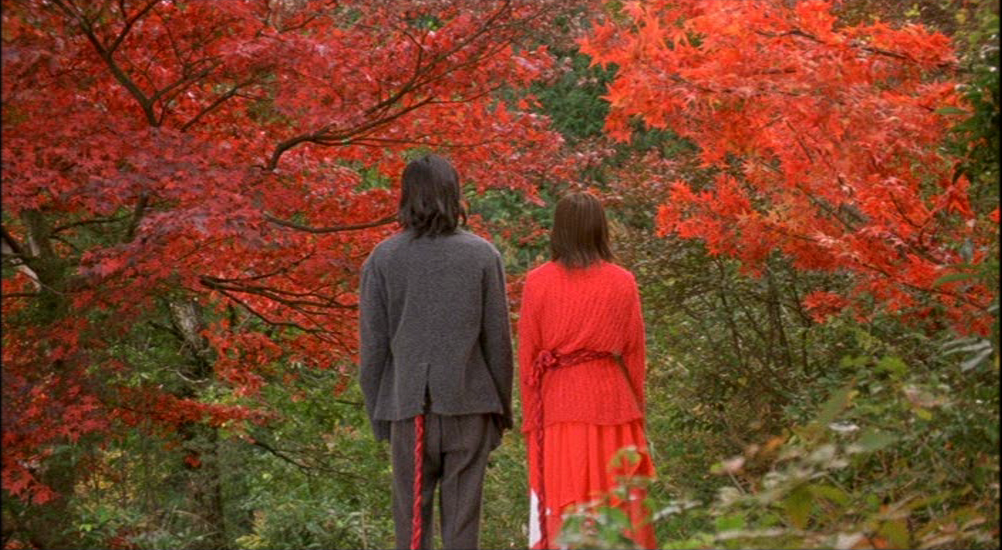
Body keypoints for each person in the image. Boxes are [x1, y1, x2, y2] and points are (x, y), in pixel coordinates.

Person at [358, 154, 514, 550]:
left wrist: (379, 413)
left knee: (411, 530)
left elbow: (373, 347)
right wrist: (501, 413)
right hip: (471, 404)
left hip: (406, 410)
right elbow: (498, 342)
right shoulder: (482, 255)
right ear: (454, 193)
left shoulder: (384, 257)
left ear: (406, 196)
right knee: (463, 529)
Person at [519, 191, 656, 549]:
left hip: (558, 405)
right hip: (613, 405)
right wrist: (636, 408)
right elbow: (634, 353)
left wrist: (532, 416)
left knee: (564, 497)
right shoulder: (622, 280)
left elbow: (528, 356)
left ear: (558, 230)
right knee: (617, 497)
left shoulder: (538, 281)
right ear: (600, 229)